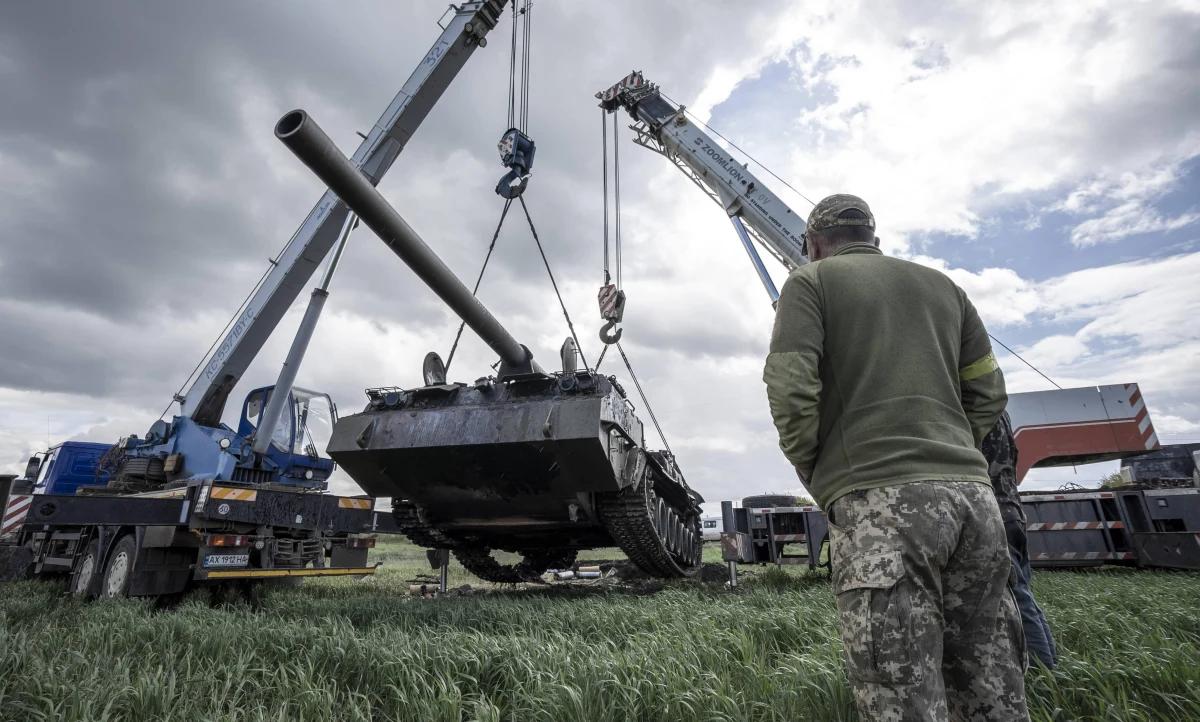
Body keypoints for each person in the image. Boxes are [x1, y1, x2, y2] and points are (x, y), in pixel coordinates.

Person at [763, 194, 1029, 721]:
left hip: (882, 505)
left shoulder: (808, 282)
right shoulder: (945, 288)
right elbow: (989, 391)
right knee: (990, 682)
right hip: (976, 506)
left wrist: (812, 466)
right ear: (873, 238)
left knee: (899, 691)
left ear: (812, 244)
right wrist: (954, 448)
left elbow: (790, 386)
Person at [982, 412, 1058, 670]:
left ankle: (1041, 670)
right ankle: (1050, 663)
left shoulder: (982, 418)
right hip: (1012, 509)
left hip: (996, 509)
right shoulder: (1001, 415)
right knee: (1023, 592)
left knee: (1016, 596)